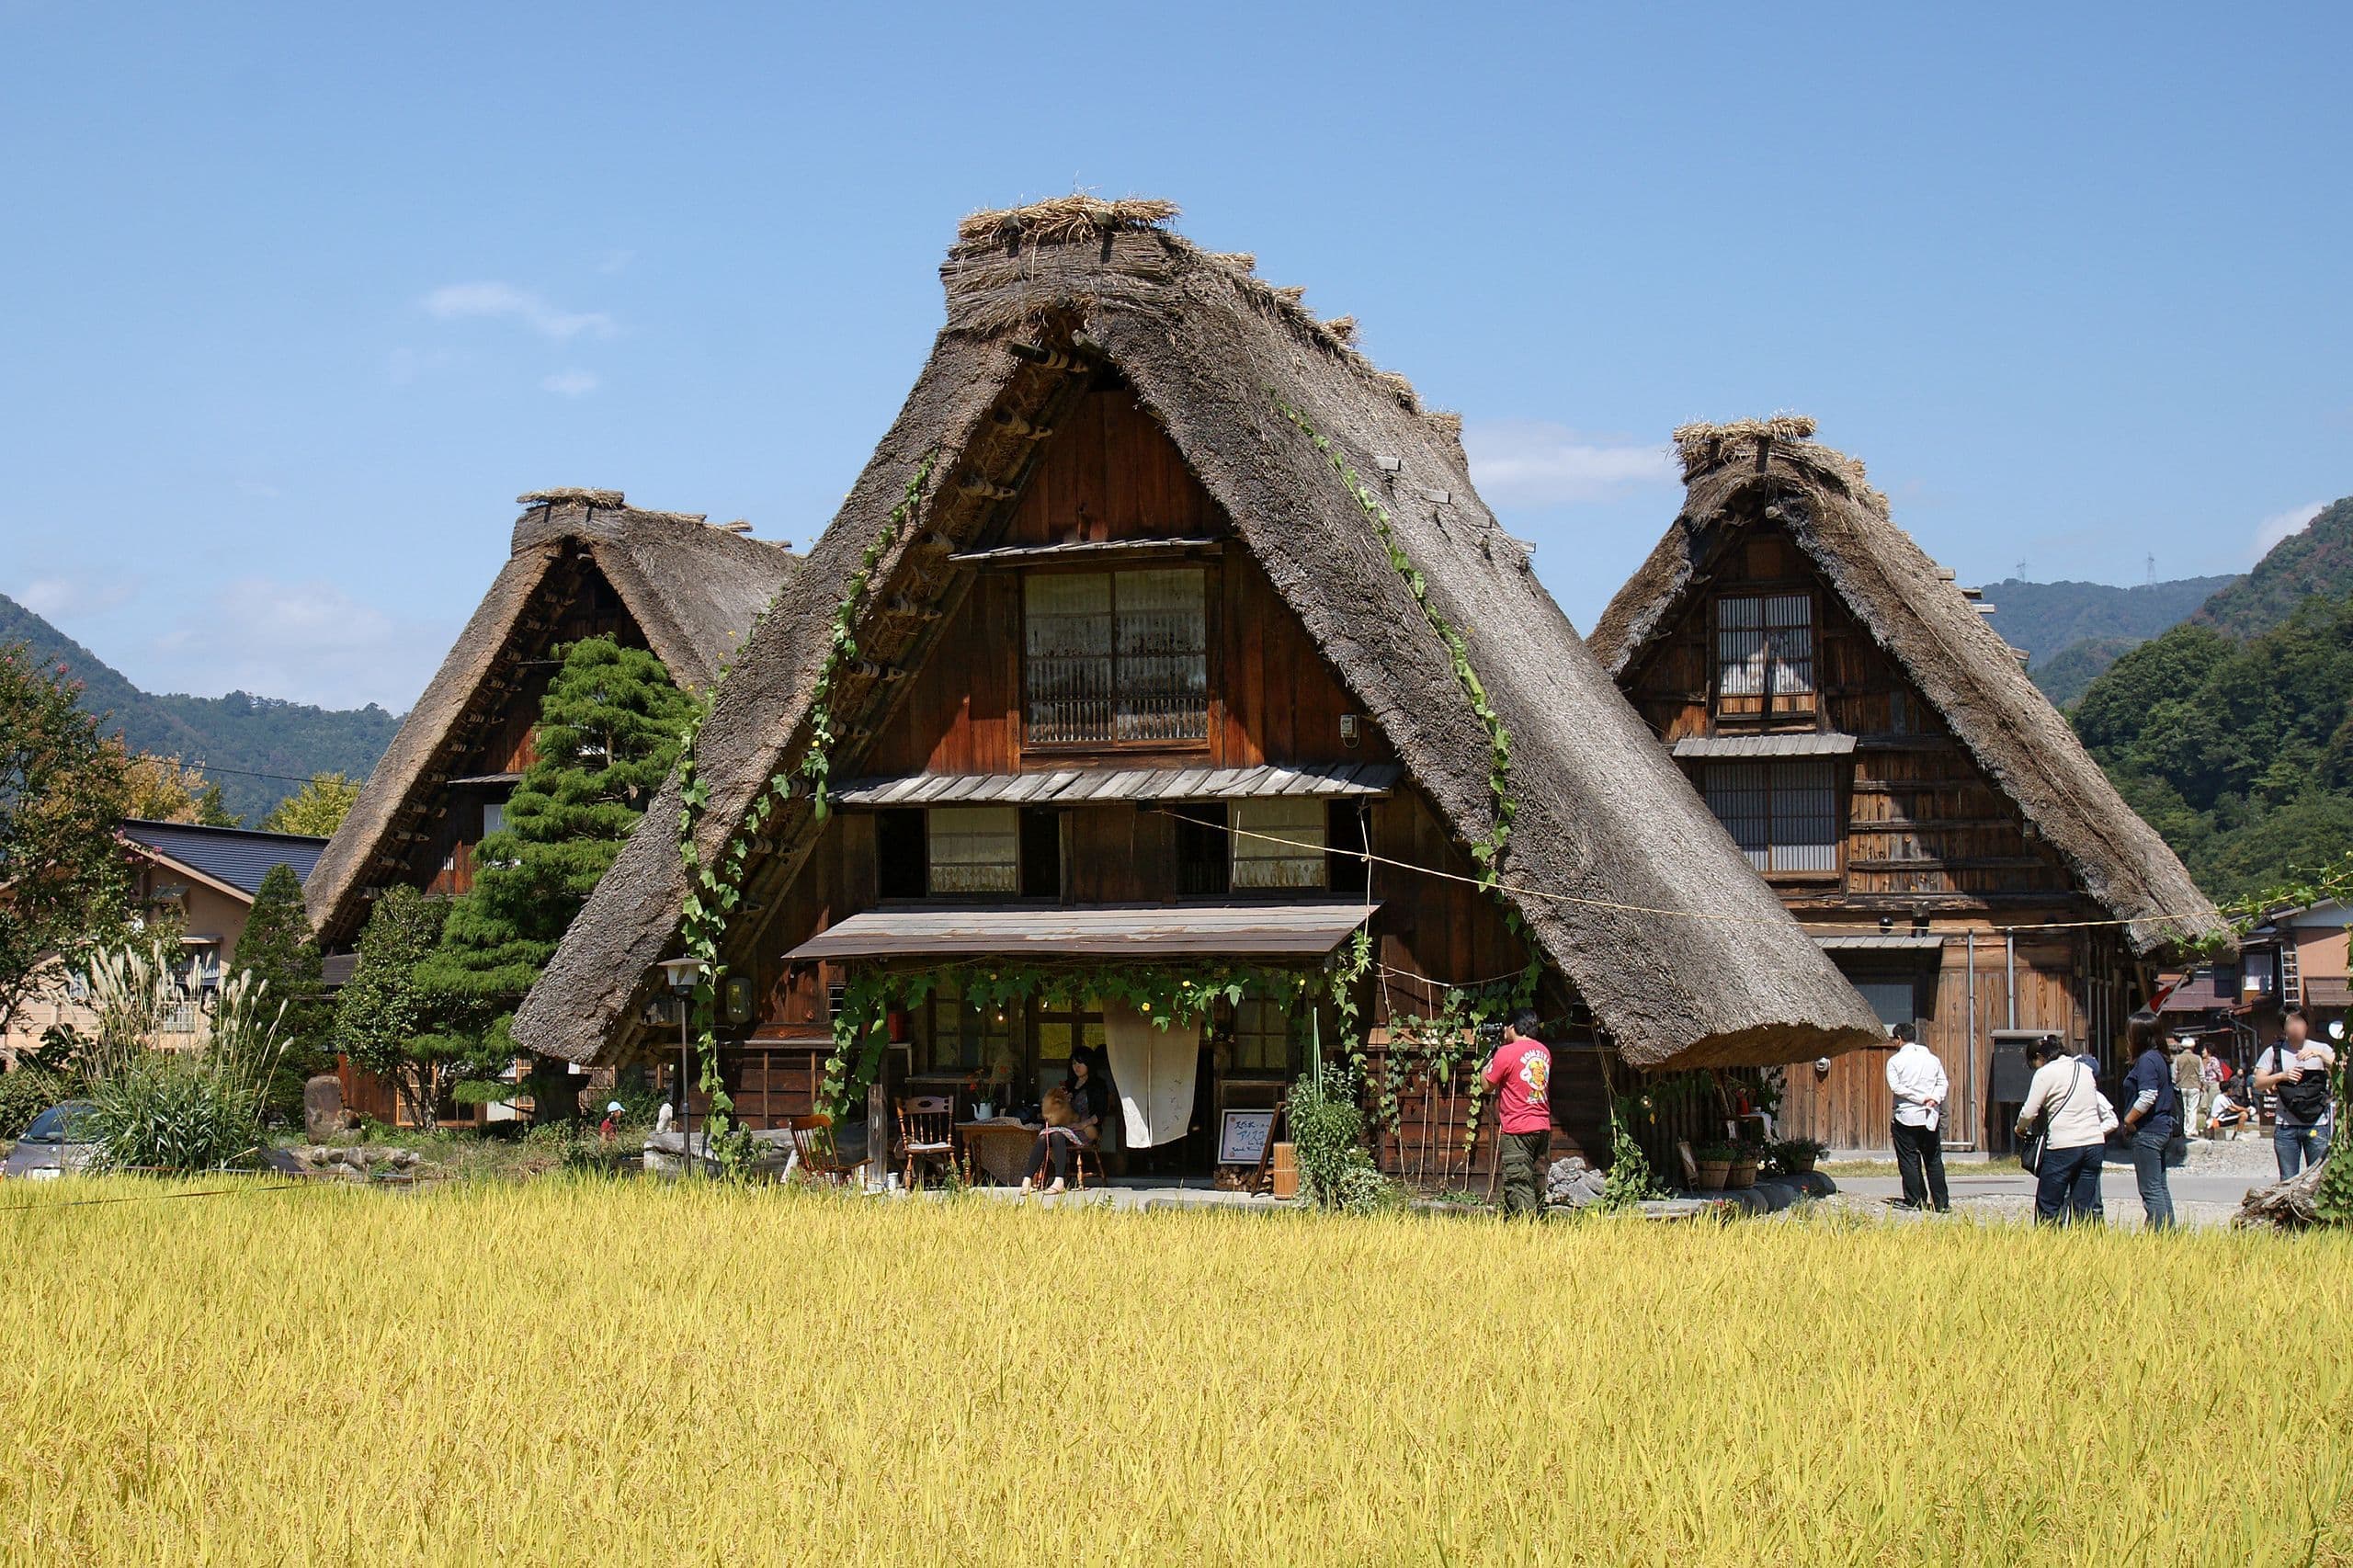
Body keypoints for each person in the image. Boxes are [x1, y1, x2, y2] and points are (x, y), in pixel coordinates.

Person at [2016, 1038, 2112, 1224]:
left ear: (2039, 1057)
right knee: (2085, 1206)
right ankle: (2087, 1248)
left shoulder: (2045, 1073)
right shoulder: (2085, 1070)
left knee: (2049, 1204)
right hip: (2094, 1143)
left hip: (2064, 1145)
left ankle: (2049, 1247)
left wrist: (2020, 1127)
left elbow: (2029, 1112)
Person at [1481, 1010, 1552, 1217]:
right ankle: (1520, 1222)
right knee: (1532, 1181)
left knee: (1518, 1182)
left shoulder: (1507, 1053)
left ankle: (1528, 1231)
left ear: (1512, 1027)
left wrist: (1487, 1061)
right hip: (1541, 1127)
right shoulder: (1544, 1052)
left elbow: (1487, 1085)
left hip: (1518, 1128)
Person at [2254, 1007, 2336, 1179]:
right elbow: (2259, 1083)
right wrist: (2281, 1075)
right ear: (2283, 1028)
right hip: (2285, 1126)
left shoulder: (2322, 1048)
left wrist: (2320, 1055)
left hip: (2317, 1124)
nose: (2295, 1027)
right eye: (2290, 1023)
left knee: (2317, 1179)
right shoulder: (2274, 1052)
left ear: (2307, 1024)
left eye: (2299, 1021)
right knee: (2288, 1179)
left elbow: (2341, 1070)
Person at [2119, 1010, 2180, 1230]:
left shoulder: (2146, 1061)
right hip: (2162, 1128)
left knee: (2150, 1189)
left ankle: (2160, 1233)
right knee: (2160, 1186)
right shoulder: (2160, 1059)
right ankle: (2169, 1230)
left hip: (2148, 1130)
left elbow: (2147, 1096)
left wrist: (2128, 1120)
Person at [1884, 1022, 1950, 1212]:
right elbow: (1942, 1083)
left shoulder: (1895, 1061)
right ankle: (1941, 1202)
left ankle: (1914, 1200)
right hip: (1930, 1114)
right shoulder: (1932, 1059)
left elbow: (1896, 1088)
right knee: (1933, 1159)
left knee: (1908, 1158)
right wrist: (1934, 1098)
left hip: (1906, 1114)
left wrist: (1920, 1098)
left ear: (1898, 1039)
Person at [1020, 1053, 1108, 1195]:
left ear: (1089, 1065)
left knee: (1056, 1134)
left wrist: (1083, 1124)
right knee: (1044, 1135)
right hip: (1067, 1125)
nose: (1076, 1067)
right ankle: (1026, 1180)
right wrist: (1062, 1100)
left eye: (1080, 1063)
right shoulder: (1069, 1085)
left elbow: (1101, 1113)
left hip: (1086, 1128)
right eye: (1073, 1064)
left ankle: (1059, 1180)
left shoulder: (1098, 1085)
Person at [2172, 1037, 2205, 1145]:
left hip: (2181, 1085)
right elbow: (2201, 1074)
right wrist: (2202, 1084)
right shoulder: (2197, 1058)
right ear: (2193, 1046)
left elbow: (2174, 1073)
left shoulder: (2178, 1058)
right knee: (2192, 1109)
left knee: (2183, 1109)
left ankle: (2183, 1129)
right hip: (2194, 1086)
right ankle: (2191, 1130)